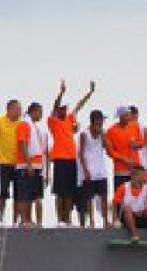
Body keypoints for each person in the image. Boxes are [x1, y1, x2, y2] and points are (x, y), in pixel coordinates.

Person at [48, 79, 95, 226]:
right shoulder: (53, 121)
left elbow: (79, 106)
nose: (64, 110)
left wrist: (90, 93)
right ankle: (59, 219)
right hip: (60, 159)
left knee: (69, 191)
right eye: (62, 108)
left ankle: (67, 219)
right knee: (59, 192)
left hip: (71, 159)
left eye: (64, 108)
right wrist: (61, 93)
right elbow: (55, 106)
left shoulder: (69, 119)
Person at [15, 102, 48, 228]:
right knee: (24, 194)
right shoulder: (24, 124)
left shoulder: (34, 127)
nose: (41, 115)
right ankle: (24, 220)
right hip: (26, 165)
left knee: (34, 195)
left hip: (36, 165)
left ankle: (32, 220)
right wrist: (28, 164)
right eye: (40, 112)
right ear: (33, 111)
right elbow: (22, 143)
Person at [78, 110, 110, 228]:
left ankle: (106, 221)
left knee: (104, 196)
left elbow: (107, 149)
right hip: (89, 170)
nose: (102, 123)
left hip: (101, 170)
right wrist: (85, 170)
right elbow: (80, 153)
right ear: (94, 121)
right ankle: (91, 221)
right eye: (100, 120)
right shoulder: (84, 134)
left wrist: (103, 135)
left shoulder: (103, 134)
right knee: (89, 198)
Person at [112, 165, 147, 241]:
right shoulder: (123, 187)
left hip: (142, 216)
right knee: (127, 208)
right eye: (144, 175)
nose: (146, 177)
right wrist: (115, 220)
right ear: (136, 176)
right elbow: (114, 204)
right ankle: (134, 235)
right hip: (127, 218)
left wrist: (146, 209)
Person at [107, 106, 144, 192]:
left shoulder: (134, 127)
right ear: (121, 117)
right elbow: (110, 152)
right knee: (120, 196)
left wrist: (137, 144)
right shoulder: (111, 130)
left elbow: (142, 142)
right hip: (120, 170)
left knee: (135, 195)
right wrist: (124, 159)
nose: (129, 118)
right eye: (127, 116)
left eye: (129, 115)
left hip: (135, 169)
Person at [129, 105, 147, 177]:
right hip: (130, 163)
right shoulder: (125, 129)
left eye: (135, 114)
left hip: (142, 163)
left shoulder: (144, 129)